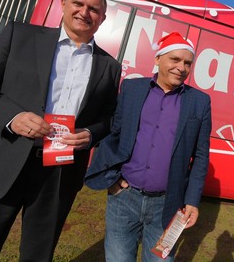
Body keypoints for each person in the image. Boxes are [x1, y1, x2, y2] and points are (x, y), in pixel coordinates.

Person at [0, 0, 121, 262]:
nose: (84, 12)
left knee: (38, 255)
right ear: (63, 5)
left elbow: (110, 117)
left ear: (102, 19)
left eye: (94, 9)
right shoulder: (21, 35)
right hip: (1, 158)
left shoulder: (110, 66)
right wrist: (12, 117)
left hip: (59, 171)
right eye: (78, 4)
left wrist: (90, 134)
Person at [85, 32, 212, 261]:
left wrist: (192, 200)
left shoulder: (199, 102)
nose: (181, 67)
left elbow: (201, 156)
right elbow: (115, 134)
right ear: (158, 59)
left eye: (187, 63)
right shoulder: (132, 89)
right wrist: (112, 180)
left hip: (169, 205)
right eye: (175, 59)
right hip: (124, 198)